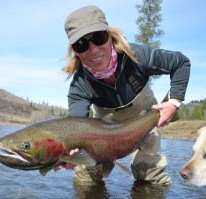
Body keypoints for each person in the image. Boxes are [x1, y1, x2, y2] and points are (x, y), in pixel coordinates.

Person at [56, 5, 191, 185]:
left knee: (150, 175)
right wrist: (69, 154)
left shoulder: (137, 56)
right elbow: (75, 128)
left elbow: (181, 63)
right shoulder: (80, 84)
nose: (94, 49)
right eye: (81, 44)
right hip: (103, 132)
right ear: (75, 50)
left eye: (98, 37)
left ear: (110, 36)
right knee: (84, 178)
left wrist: (174, 103)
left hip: (146, 120)